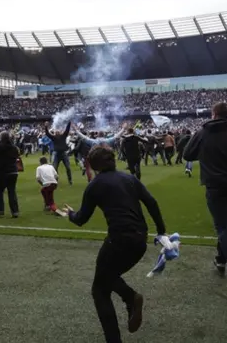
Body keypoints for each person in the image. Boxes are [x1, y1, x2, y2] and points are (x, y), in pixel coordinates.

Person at [65, 145, 168, 343]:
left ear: (94, 165)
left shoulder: (95, 185)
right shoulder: (130, 179)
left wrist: (69, 213)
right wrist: (162, 231)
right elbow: (151, 202)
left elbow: (81, 219)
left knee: (99, 289)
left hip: (118, 241)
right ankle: (130, 299)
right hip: (140, 241)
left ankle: (124, 315)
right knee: (108, 276)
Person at [183, 102, 227, 297]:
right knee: (225, 226)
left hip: (214, 185)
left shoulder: (203, 132)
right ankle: (220, 260)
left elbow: (187, 154)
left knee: (223, 228)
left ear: (213, 114)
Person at [0, 131, 20, 218]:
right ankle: (15, 211)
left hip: (2, 172)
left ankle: (0, 210)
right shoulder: (14, 147)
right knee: (12, 191)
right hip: (13, 171)